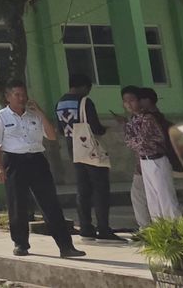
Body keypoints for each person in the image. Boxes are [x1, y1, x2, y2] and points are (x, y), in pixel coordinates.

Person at [0, 80, 85, 258]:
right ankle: (21, 244)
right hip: (14, 161)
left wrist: (40, 112)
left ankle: (66, 246)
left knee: (50, 203)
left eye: (23, 94)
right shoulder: (1, 116)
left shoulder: (34, 115)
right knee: (18, 204)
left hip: (37, 161)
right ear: (8, 97)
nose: (21, 98)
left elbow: (52, 136)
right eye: (17, 95)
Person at [55, 73, 117, 241]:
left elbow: (60, 129)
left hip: (74, 150)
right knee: (100, 188)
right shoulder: (85, 102)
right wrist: (105, 129)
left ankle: (85, 227)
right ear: (84, 87)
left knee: (83, 189)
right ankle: (103, 228)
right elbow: (95, 127)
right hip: (90, 150)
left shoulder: (60, 103)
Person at [118, 85, 180, 224]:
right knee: (153, 200)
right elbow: (130, 141)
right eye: (125, 101)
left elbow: (141, 141)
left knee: (165, 197)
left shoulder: (148, 118)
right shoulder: (134, 119)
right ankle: (158, 230)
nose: (128, 104)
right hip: (144, 160)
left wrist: (131, 137)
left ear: (140, 101)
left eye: (132, 100)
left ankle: (174, 229)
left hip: (156, 160)